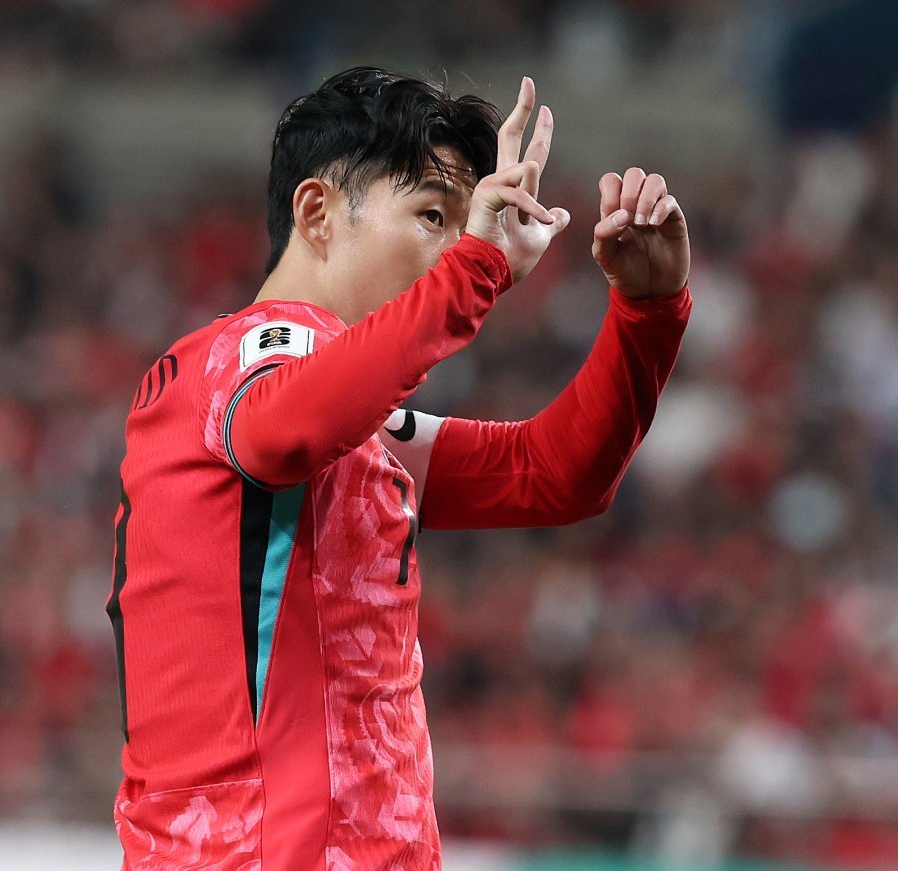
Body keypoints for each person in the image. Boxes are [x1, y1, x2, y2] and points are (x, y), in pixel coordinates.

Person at [107, 66, 691, 870]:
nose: (457, 248)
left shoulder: (355, 424)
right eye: (432, 215)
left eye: (466, 226)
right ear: (317, 214)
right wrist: (479, 268)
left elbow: (552, 473)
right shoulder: (235, 357)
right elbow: (288, 428)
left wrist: (646, 314)